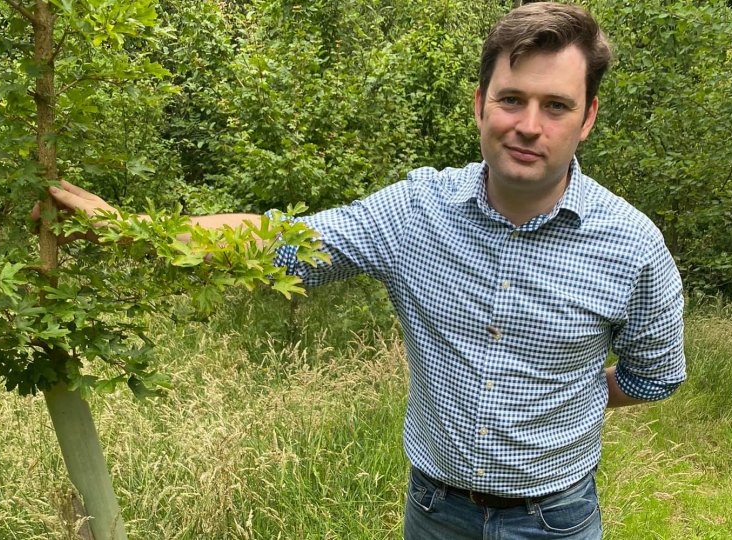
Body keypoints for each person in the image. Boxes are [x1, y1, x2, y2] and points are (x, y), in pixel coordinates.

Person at [36, 3, 686, 538]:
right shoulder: (415, 212)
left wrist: (569, 398)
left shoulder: (630, 246)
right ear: (480, 103)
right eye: (511, 99)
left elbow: (652, 376)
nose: (528, 126)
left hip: (557, 520)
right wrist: (140, 232)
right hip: (436, 515)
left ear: (588, 116)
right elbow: (284, 242)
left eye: (556, 106)